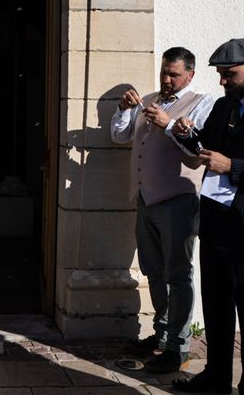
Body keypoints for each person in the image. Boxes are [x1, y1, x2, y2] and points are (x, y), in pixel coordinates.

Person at [110, 47, 214, 373]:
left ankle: (178, 348)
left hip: (179, 201)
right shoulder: (151, 99)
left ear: (190, 75)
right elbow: (119, 135)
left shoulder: (202, 102)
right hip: (146, 199)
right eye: (164, 72)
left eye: (174, 74)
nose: (167, 80)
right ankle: (161, 334)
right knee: (154, 272)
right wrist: (124, 109)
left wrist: (170, 126)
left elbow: (199, 150)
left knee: (178, 275)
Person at [171, 38, 244, 393]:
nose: (223, 81)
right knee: (216, 304)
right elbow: (204, 149)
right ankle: (216, 376)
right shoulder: (222, 107)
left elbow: (227, 162)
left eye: (229, 74)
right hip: (215, 223)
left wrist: (234, 166)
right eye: (220, 75)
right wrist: (187, 136)